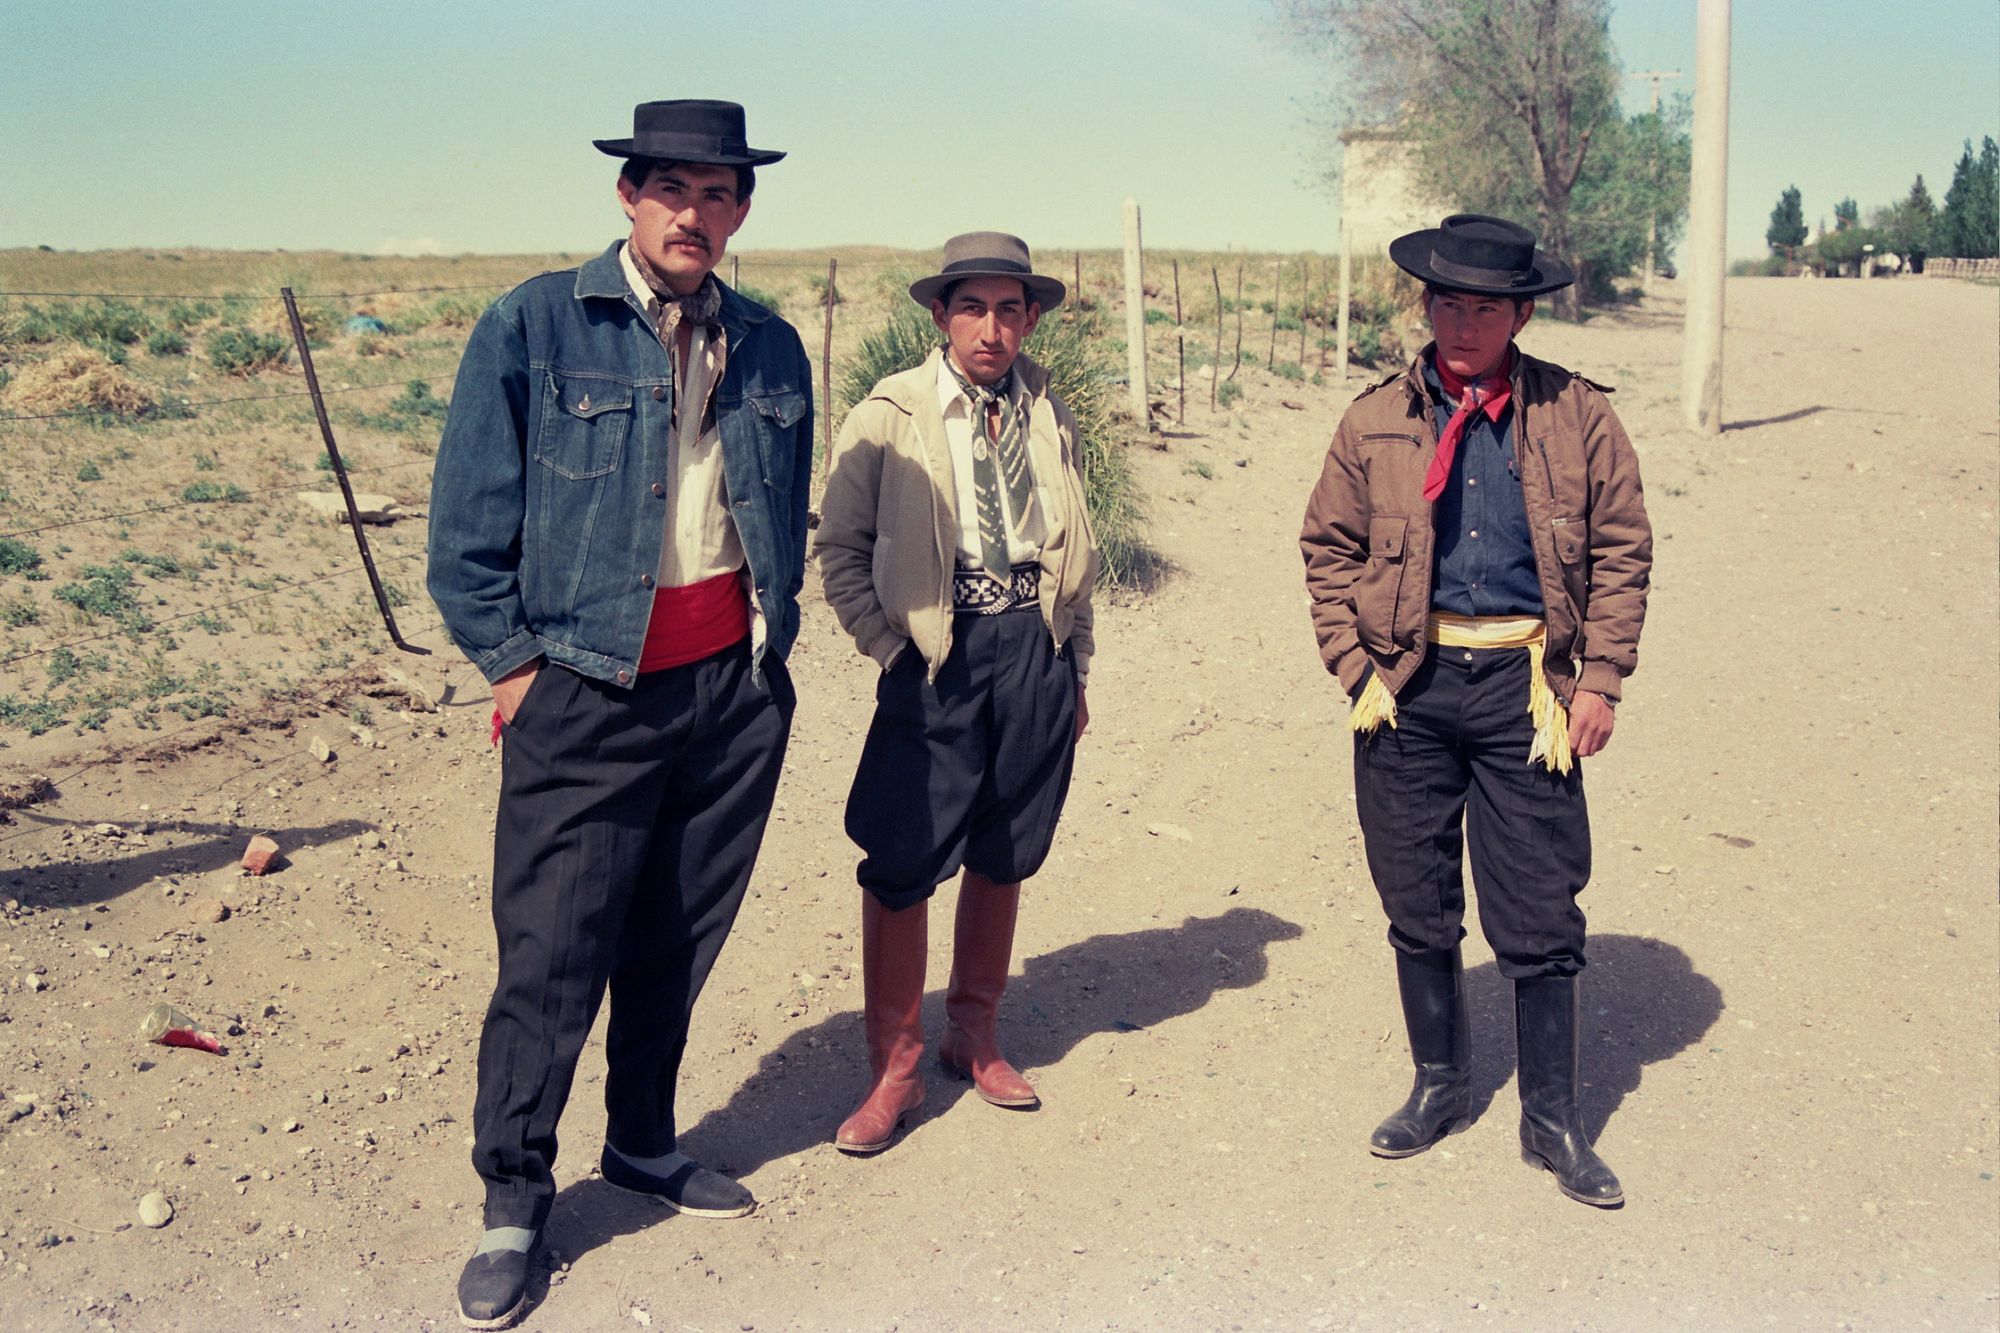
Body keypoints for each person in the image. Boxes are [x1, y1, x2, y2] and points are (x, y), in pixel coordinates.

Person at [426, 99, 812, 1328]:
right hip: (585, 688)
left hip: (726, 695)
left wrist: (764, 654)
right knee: (550, 951)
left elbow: (773, 512)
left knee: (677, 933)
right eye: (673, 190)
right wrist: (513, 667)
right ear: (628, 197)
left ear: (741, 210)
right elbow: (464, 534)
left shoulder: (769, 344)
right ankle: (513, 1200)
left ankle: (642, 1141)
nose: (696, 214)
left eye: (720, 194)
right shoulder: (536, 324)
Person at [1299, 214, 1652, 1207]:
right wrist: (1349, 665)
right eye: (1447, 303)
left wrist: (1600, 677)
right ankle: (1439, 1085)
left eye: (1484, 307)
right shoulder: (1370, 420)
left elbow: (1622, 547)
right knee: (1414, 897)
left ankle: (1550, 1120)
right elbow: (1324, 550)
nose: (1462, 324)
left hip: (1524, 691)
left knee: (1539, 907)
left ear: (1520, 313)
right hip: (1402, 690)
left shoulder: (1576, 415)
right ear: (1426, 306)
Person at [814, 232, 1099, 1155]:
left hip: (1034, 648)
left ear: (1029, 318)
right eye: (972, 307)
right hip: (936, 654)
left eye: (1009, 309)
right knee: (901, 860)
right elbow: (840, 548)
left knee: (1008, 844)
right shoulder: (891, 411)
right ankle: (893, 1070)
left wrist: (1074, 667)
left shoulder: (1046, 408)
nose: (992, 327)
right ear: (939, 315)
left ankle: (974, 1035)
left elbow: (1072, 556)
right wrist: (889, 649)